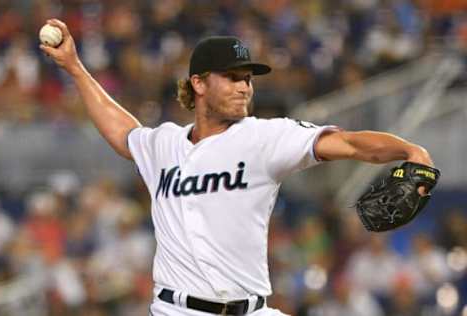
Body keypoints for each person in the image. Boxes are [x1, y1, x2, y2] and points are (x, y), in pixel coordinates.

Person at [40, 18, 435, 316]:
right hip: (177, 310)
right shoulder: (163, 143)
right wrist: (75, 67)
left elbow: (347, 142)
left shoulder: (264, 138)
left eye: (247, 79)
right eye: (232, 78)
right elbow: (124, 132)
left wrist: (409, 149)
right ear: (198, 83)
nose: (245, 87)